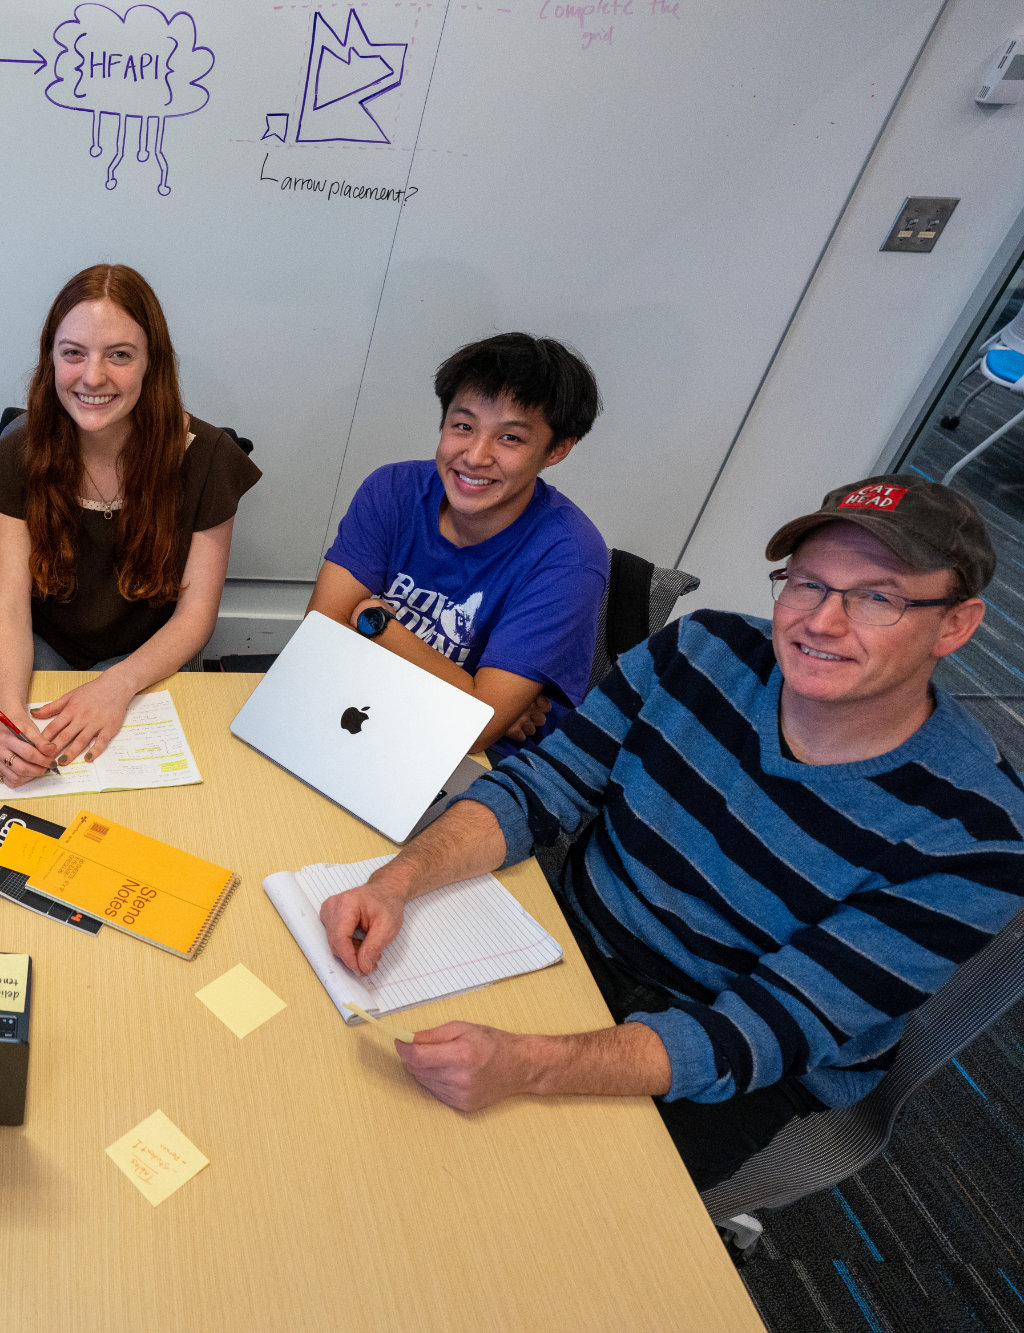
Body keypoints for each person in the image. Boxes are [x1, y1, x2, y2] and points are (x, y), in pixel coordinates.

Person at [317, 475, 1024, 1190]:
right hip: (580, 937)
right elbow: (544, 784)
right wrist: (397, 879)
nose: (822, 622)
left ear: (956, 624)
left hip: (736, 1047)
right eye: (807, 583)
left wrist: (530, 1061)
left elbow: (762, 1027)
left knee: (516, 1208)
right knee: (356, 1090)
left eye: (877, 597)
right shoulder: (700, 649)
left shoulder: (977, 835)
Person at [0, 264, 261, 784]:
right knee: (32, 775)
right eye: (73, 353)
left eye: (120, 355)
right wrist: (10, 719)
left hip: (148, 657)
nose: (93, 376)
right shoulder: (18, 453)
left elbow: (195, 617)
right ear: (51, 359)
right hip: (43, 647)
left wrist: (117, 684)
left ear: (153, 363)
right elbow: (9, 609)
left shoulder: (209, 458)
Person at [306, 333, 608, 757]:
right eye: (463, 426)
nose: (475, 456)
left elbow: (476, 731)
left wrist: (376, 625)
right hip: (359, 714)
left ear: (557, 449)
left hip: (476, 766)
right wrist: (471, 694)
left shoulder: (569, 557)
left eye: (511, 439)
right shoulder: (392, 490)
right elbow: (317, 642)